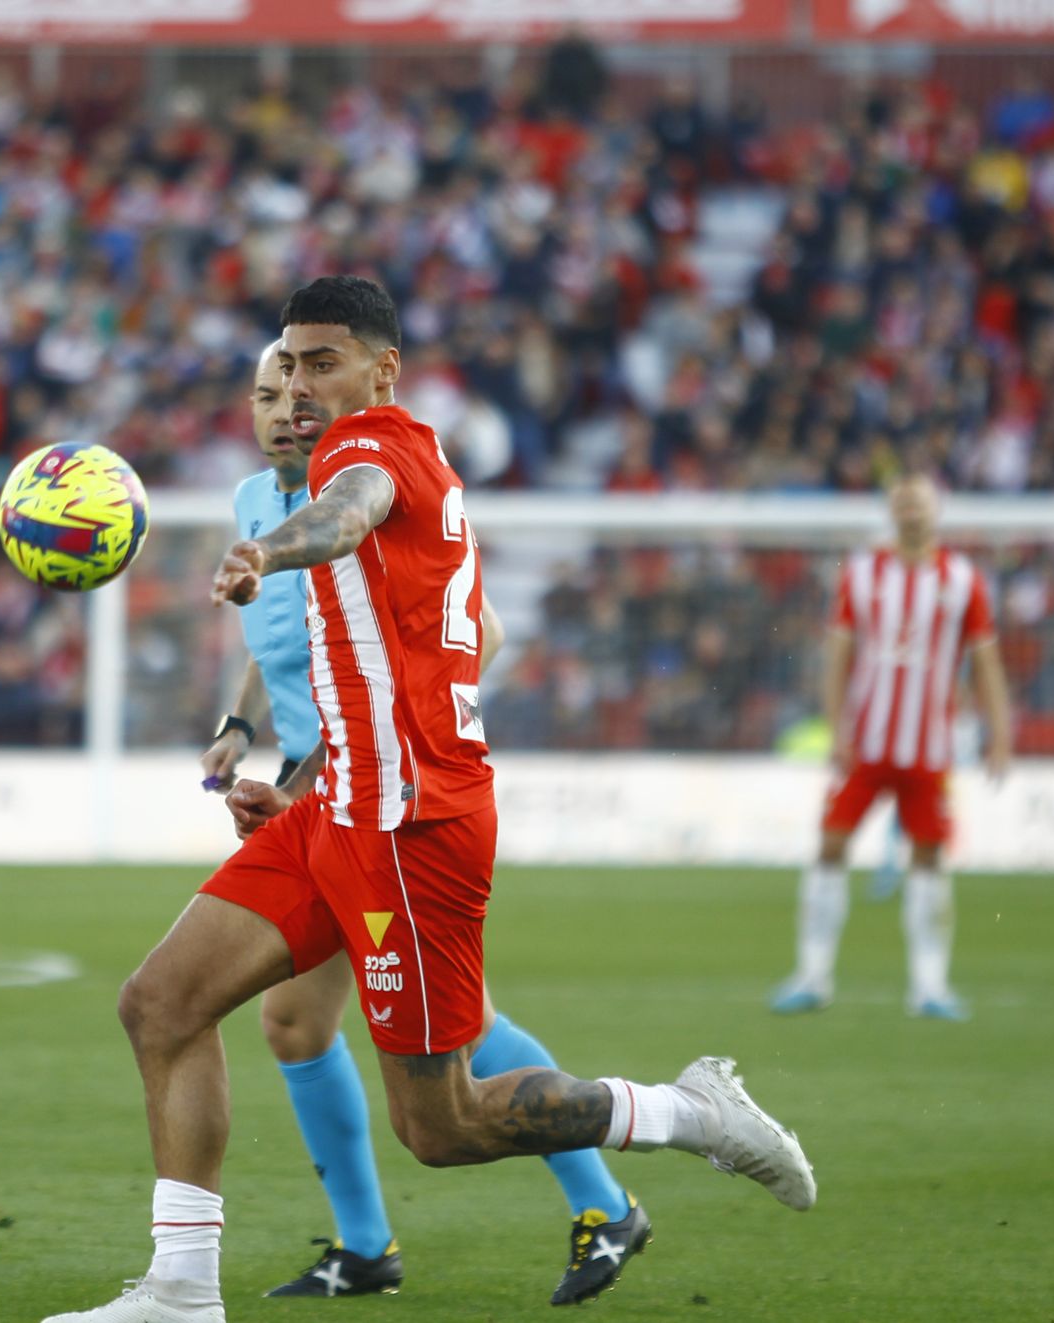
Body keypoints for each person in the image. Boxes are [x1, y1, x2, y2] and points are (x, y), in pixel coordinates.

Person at [41, 277, 815, 1323]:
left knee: (441, 1128)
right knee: (161, 1005)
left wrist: (269, 549)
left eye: (325, 363)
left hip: (411, 830)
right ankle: (181, 1292)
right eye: (288, 365)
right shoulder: (347, 463)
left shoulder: (372, 454)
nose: (302, 387)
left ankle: (683, 1110)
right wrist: (303, 774)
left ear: (380, 371)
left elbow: (343, 516)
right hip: (343, 808)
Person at [199, 341, 643, 1305]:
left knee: (454, 1026)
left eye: (300, 389)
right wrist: (242, 721)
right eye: (266, 393)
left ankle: (603, 1202)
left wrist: (322, 773)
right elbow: (278, 633)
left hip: (378, 793)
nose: (285, 407)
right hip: (315, 792)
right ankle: (367, 1246)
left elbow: (466, 632)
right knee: (295, 1020)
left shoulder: (365, 490)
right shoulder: (250, 505)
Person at [770, 475, 1012, 1021]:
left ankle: (929, 987)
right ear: (892, 509)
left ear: (937, 508)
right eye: (902, 498)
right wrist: (837, 727)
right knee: (831, 846)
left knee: (928, 859)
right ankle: (812, 976)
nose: (910, 506)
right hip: (867, 744)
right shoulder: (862, 574)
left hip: (929, 748)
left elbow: (987, 661)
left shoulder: (962, 580)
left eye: (920, 498)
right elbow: (837, 655)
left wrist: (1001, 732)